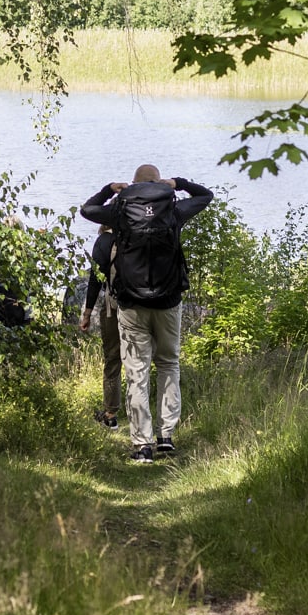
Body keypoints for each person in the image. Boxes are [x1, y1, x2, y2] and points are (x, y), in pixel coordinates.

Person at [80, 164, 213, 462]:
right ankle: (166, 436)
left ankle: (142, 444)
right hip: (168, 302)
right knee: (169, 364)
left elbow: (87, 210)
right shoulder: (173, 208)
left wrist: (109, 189)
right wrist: (178, 183)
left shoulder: (120, 210)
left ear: (133, 185)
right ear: (159, 182)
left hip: (131, 305)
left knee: (137, 373)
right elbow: (206, 196)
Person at [78, 227, 121, 428]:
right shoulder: (138, 233)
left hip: (114, 305)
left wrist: (87, 313)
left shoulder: (104, 241)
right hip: (143, 305)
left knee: (112, 357)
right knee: (141, 359)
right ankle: (143, 412)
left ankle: (111, 414)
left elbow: (95, 279)